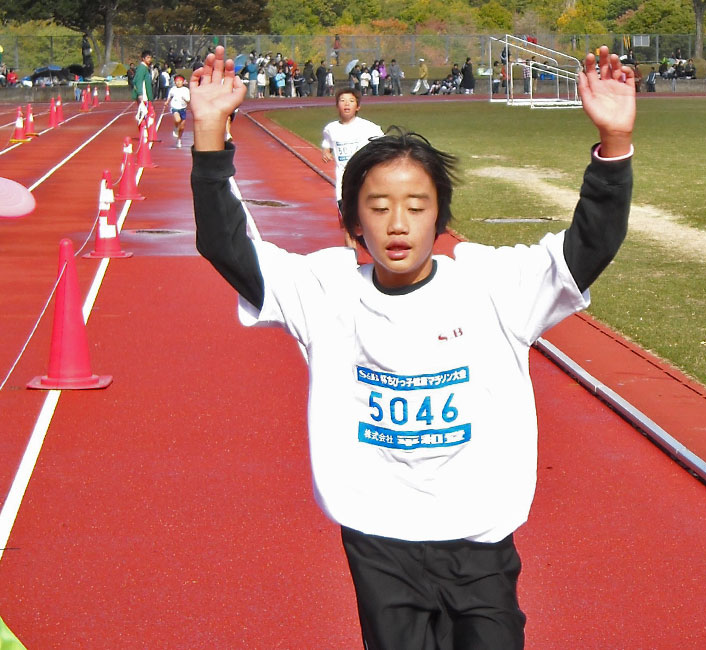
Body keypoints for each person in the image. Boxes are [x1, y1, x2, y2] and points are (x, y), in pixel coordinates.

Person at [189, 43, 634, 650]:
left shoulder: (491, 286)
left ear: (439, 218)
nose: (397, 223)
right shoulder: (326, 289)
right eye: (379, 207)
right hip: (380, 537)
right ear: (353, 222)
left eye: (415, 206)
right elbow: (228, 246)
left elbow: (591, 243)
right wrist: (211, 134)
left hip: (476, 539)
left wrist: (613, 146)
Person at [320, 89, 385, 213]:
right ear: (337, 106)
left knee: (366, 218)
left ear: (358, 106)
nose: (346, 104)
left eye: (351, 101)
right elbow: (327, 143)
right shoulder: (331, 128)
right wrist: (326, 151)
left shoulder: (368, 127)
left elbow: (384, 144)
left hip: (364, 180)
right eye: (342, 101)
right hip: (343, 182)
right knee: (346, 221)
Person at [165, 74, 190, 147]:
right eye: (177, 81)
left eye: (180, 81)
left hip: (183, 108)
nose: (178, 82)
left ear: (183, 82)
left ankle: (179, 140)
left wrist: (184, 99)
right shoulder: (173, 89)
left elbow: (188, 100)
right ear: (175, 82)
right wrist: (167, 102)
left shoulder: (186, 90)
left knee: (182, 127)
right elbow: (170, 96)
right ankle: (176, 127)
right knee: (177, 119)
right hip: (175, 107)